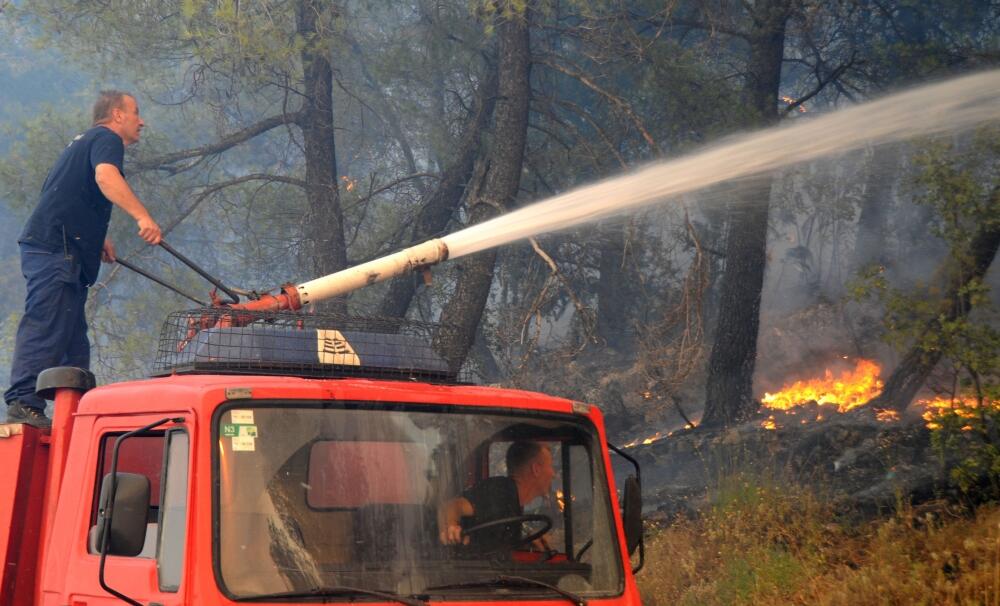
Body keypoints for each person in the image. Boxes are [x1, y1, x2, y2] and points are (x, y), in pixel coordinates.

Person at [4, 90, 162, 429]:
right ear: (117, 115)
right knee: (47, 324)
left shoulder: (83, 142)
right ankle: (23, 403)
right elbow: (106, 177)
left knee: (73, 342)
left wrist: (94, 236)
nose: (142, 121)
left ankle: (76, 415)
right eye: (136, 112)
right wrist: (142, 217)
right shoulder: (107, 138)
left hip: (59, 247)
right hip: (55, 250)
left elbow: (63, 193)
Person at [438, 441, 556, 551]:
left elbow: (493, 545)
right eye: (550, 466)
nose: (553, 474)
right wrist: (451, 528)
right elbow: (451, 507)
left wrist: (527, 544)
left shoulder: (514, 501)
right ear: (536, 469)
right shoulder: (499, 491)